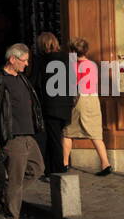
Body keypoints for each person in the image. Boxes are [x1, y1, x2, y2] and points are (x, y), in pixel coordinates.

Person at [0, 43, 45, 219]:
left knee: (37, 168)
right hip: (12, 136)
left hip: (28, 134)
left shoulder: (22, 78)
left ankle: (5, 195)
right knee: (16, 179)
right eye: (23, 61)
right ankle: (11, 218)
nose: (26, 64)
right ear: (12, 59)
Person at [63, 38, 112, 176]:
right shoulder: (92, 65)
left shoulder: (71, 65)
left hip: (79, 99)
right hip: (93, 99)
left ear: (72, 51)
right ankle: (105, 163)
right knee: (96, 134)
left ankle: (65, 163)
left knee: (67, 132)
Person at [32, 32, 72, 177]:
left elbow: (36, 83)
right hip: (66, 105)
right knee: (53, 137)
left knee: (54, 139)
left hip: (50, 106)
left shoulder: (42, 61)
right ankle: (49, 168)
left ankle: (59, 171)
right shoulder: (67, 58)